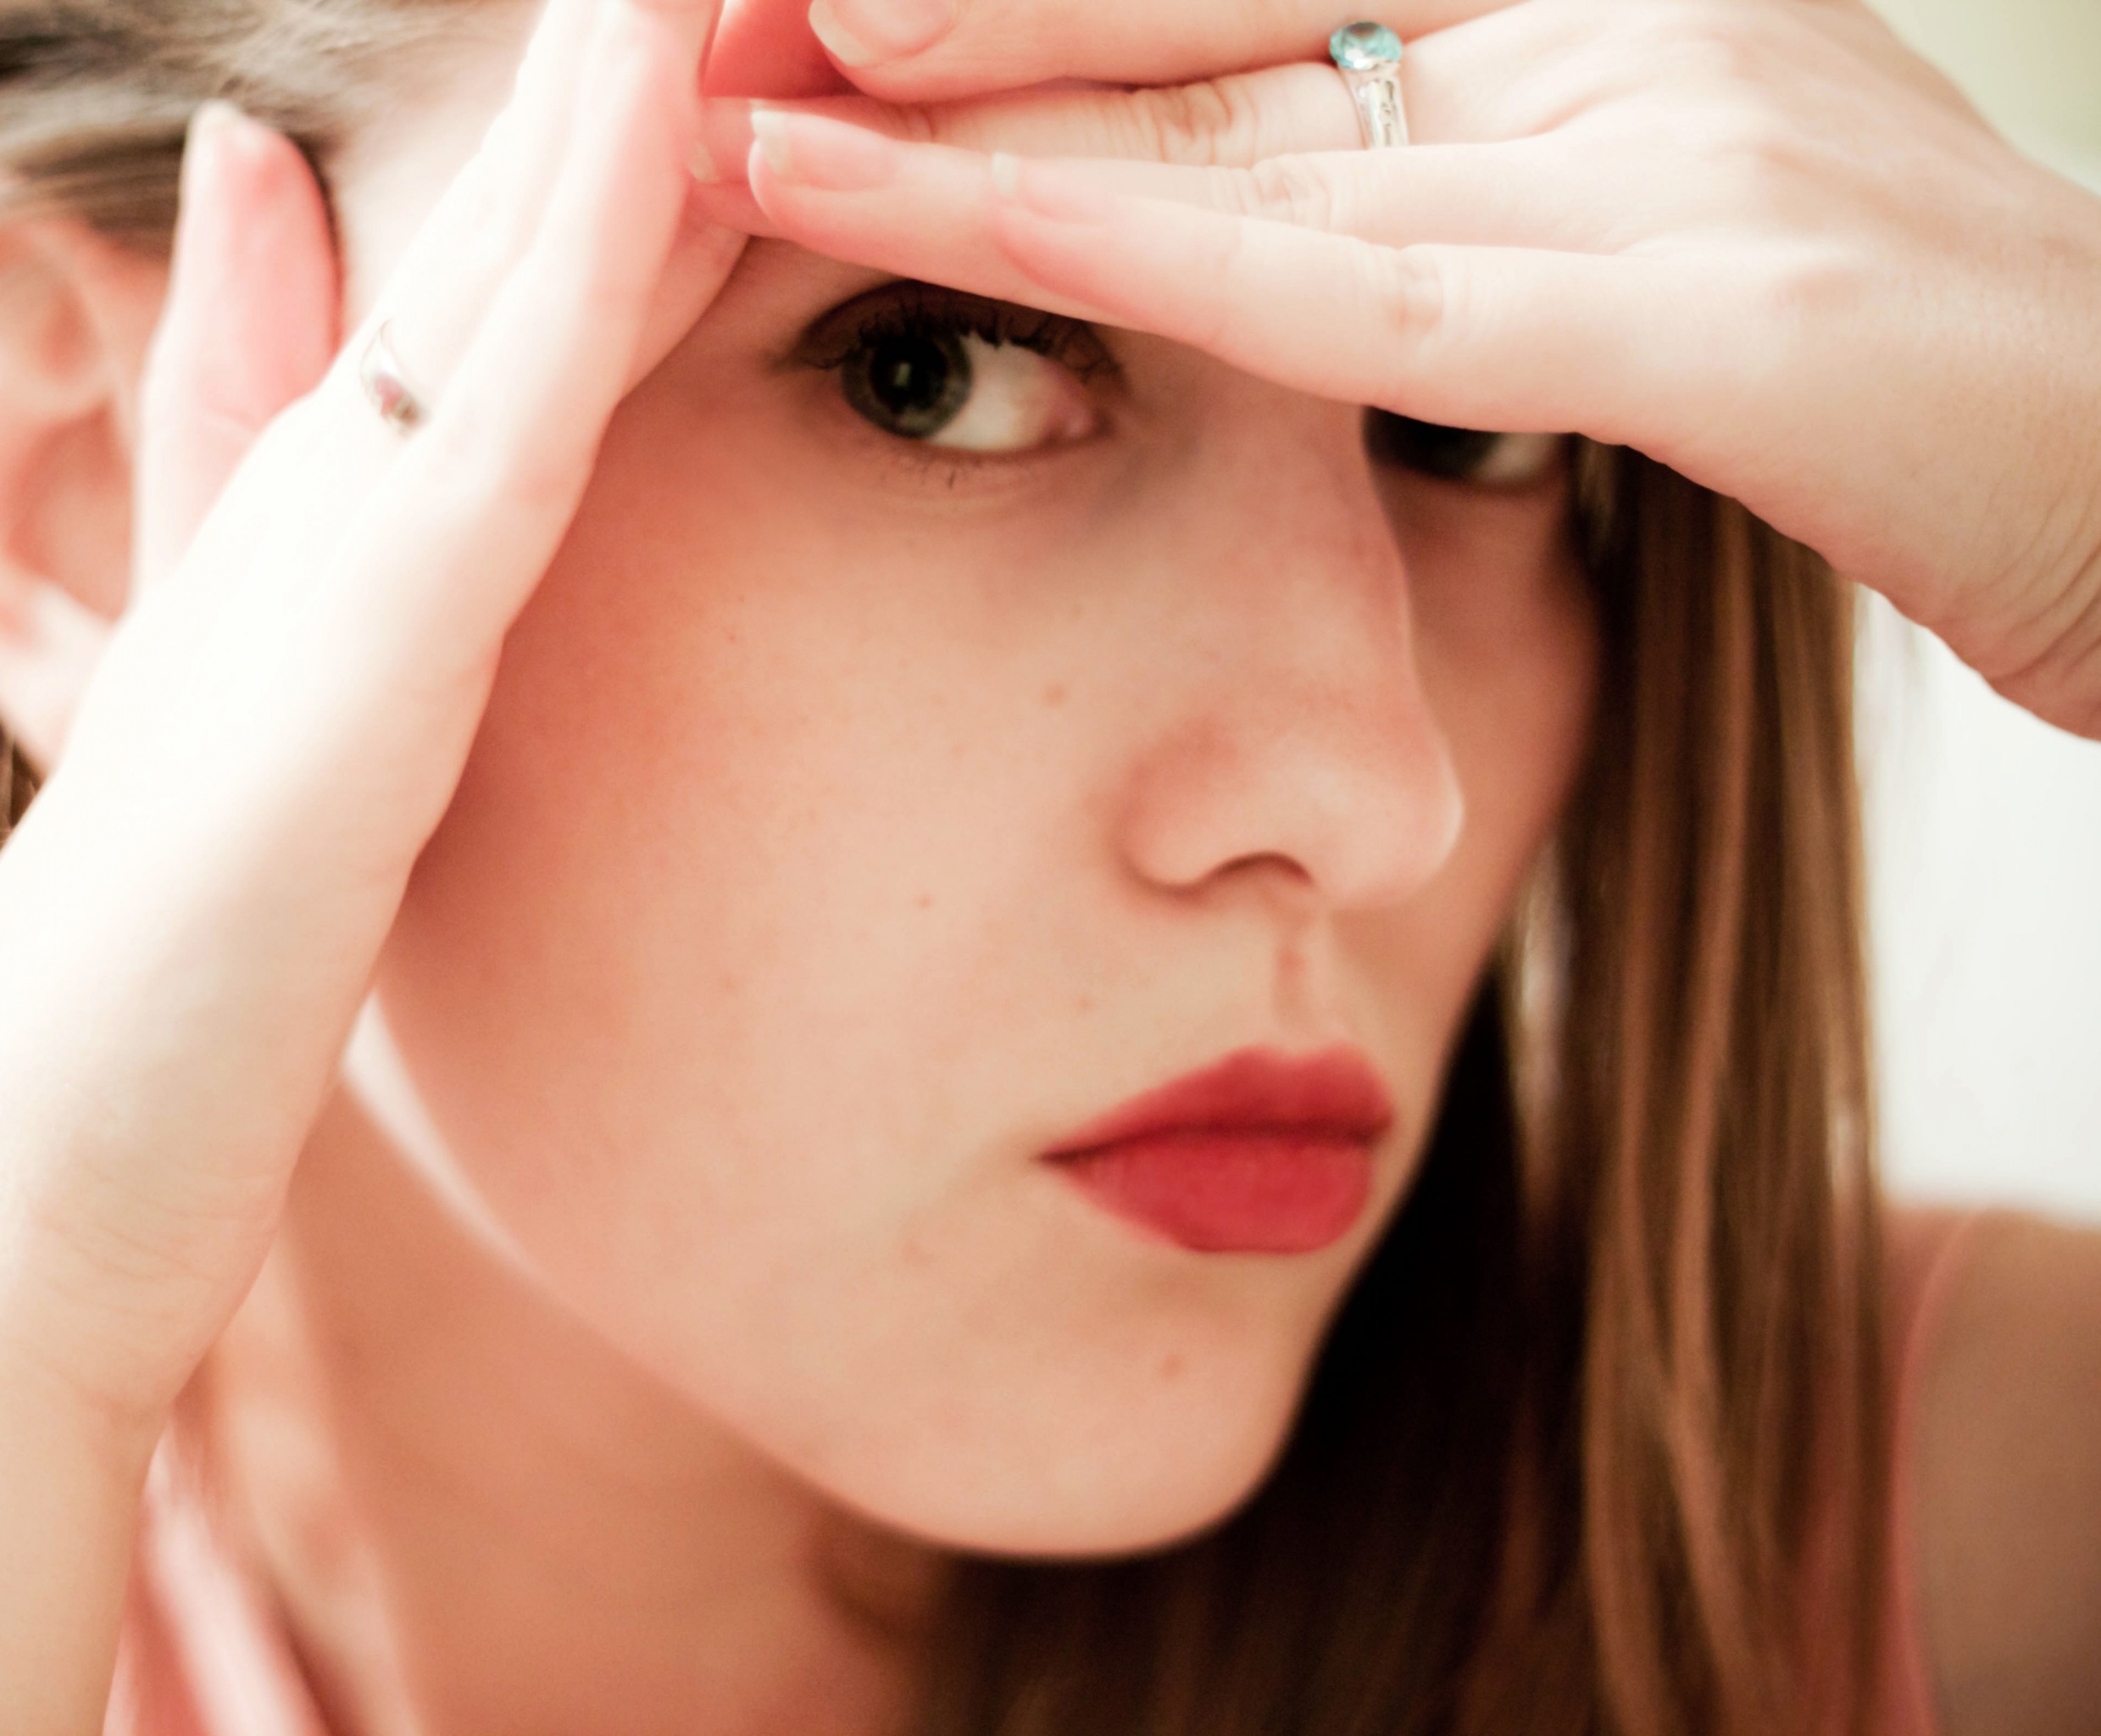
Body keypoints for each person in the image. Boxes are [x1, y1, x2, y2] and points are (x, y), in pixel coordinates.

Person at [0, 0, 2095, 1730]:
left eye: (1467, 425)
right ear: (69, 471)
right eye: (930, 363)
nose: (1377, 798)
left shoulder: (1986, 1553)